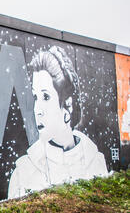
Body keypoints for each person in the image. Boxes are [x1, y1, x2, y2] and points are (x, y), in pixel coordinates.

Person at [8, 46, 108, 199]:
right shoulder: (24, 172)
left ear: (67, 105)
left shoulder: (95, 161)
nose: (37, 110)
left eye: (46, 97)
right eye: (35, 97)